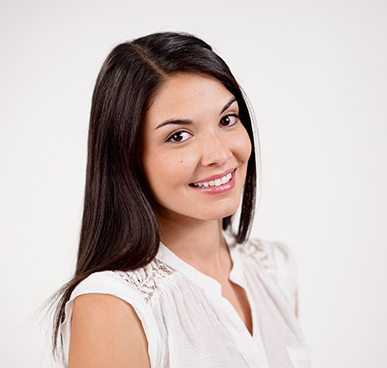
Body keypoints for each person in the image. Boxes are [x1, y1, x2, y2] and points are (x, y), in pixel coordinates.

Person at [52, 32, 309, 368]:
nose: (219, 154)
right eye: (178, 135)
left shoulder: (275, 268)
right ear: (127, 156)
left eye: (227, 119)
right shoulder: (113, 306)